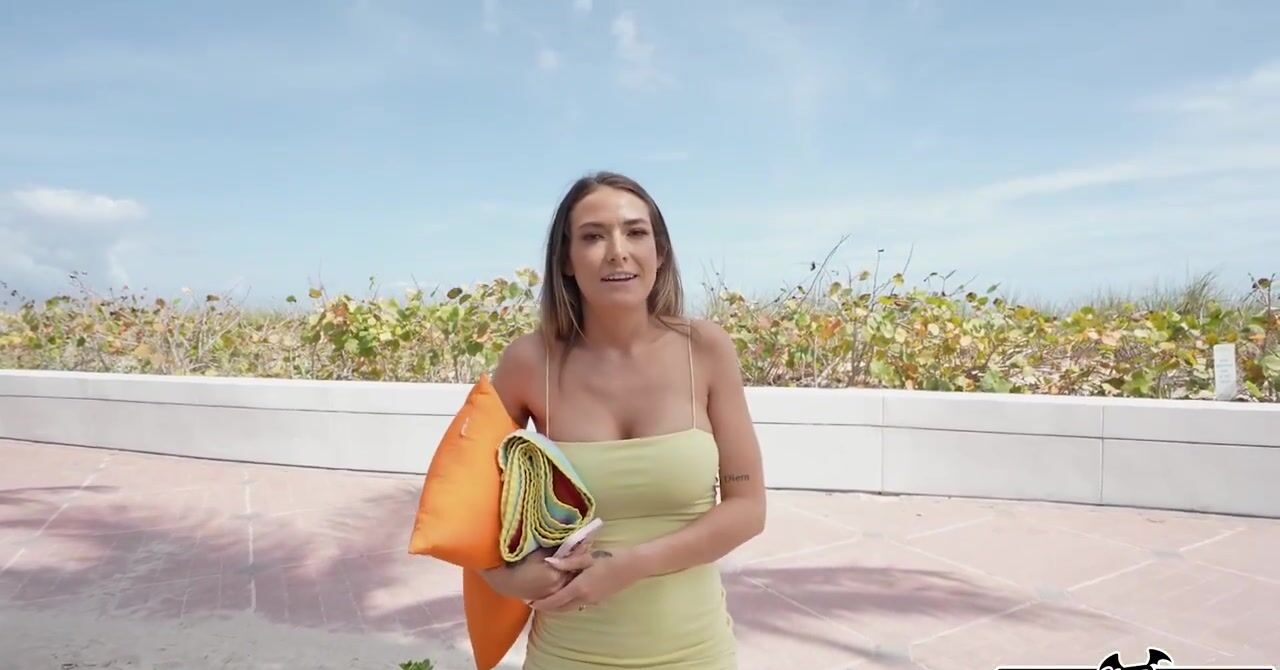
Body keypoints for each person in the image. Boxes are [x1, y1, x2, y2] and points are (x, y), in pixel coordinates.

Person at [479, 171, 767, 669]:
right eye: (593, 236)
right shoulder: (530, 362)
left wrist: (631, 566)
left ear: (660, 252)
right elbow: (464, 498)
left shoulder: (705, 348)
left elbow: (748, 508)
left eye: (635, 232)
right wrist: (504, 577)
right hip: (566, 654)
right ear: (566, 260)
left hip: (696, 654)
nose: (617, 252)